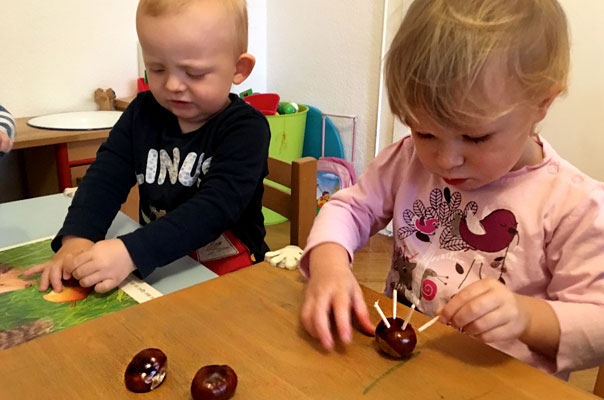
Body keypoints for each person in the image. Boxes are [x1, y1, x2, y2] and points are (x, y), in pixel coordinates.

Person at [299, 0, 604, 379]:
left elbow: (598, 324)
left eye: (475, 137)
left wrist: (526, 318)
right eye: (424, 131)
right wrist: (329, 265)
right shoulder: (407, 160)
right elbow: (349, 208)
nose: (445, 159)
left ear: (541, 103)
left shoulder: (574, 206)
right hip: (398, 371)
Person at [24, 0, 270, 294]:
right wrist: (78, 237)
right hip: (156, 263)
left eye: (193, 73)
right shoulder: (143, 112)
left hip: (229, 269)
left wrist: (130, 251)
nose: (172, 85)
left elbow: (215, 210)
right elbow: (106, 176)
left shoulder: (246, 129)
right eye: (156, 68)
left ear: (238, 68)